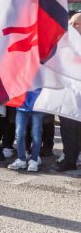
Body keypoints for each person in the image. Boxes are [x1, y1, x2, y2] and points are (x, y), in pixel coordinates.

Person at [56, 12, 81, 172]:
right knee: (68, 130)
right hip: (68, 96)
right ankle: (69, 160)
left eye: (75, 24)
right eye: (70, 24)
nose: (71, 27)